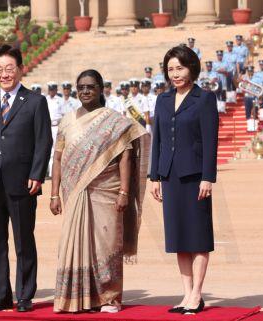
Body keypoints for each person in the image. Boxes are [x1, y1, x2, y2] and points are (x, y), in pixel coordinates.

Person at [50, 69, 148, 313]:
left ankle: (109, 297)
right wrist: (54, 194)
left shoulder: (115, 121)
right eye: (81, 87)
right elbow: (58, 158)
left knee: (105, 243)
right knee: (74, 243)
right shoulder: (67, 121)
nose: (85, 91)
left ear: (101, 89)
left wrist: (125, 192)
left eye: (90, 86)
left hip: (108, 191)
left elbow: (126, 156)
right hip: (74, 192)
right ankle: (79, 298)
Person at [0, 44, 52, 313]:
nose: (4, 74)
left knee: (23, 240)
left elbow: (43, 141)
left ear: (21, 69)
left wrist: (37, 174)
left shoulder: (36, 101)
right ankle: (0, 295)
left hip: (22, 182)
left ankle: (25, 295)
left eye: (9, 68)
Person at [150, 46, 219, 315]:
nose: (175, 74)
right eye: (170, 69)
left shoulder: (204, 99)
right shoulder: (162, 100)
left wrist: (207, 177)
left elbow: (210, 141)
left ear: (191, 68)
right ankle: (187, 293)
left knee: (198, 237)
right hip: (169, 176)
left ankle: (198, 294)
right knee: (178, 238)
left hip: (194, 177)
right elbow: (158, 139)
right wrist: (154, 176)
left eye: (180, 68)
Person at [46, 81, 64, 177]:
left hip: (57, 126)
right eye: (50, 90)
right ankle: (49, 172)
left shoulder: (60, 100)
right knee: (49, 149)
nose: (51, 92)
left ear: (56, 90)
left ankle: (57, 172)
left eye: (53, 90)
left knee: (58, 149)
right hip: (48, 126)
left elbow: (63, 114)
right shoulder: (45, 99)